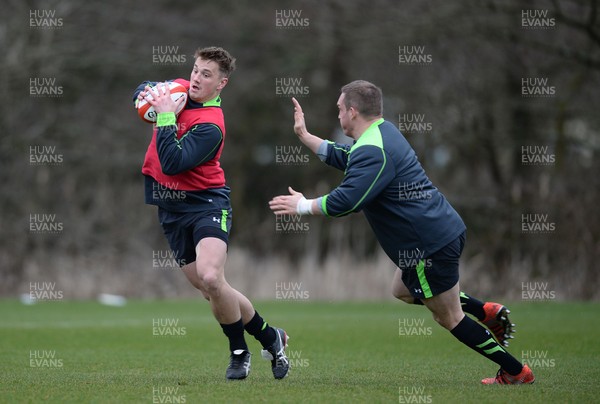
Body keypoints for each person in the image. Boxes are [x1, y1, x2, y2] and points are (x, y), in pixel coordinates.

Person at [268, 80, 535, 385]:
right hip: (438, 232)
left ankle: (515, 371)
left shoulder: (372, 150)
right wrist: (305, 136)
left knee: (449, 317)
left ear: (353, 112)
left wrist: (303, 205)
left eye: (340, 109)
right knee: (402, 289)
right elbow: (348, 157)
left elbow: (347, 201)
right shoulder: (382, 132)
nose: (338, 114)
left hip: (426, 245)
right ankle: (486, 311)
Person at [133, 46, 289, 380]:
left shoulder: (211, 125)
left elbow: (173, 163)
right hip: (171, 209)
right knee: (212, 289)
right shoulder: (177, 92)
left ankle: (238, 352)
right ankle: (270, 336)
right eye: (195, 70)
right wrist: (147, 96)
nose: (196, 78)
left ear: (221, 84)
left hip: (206, 203)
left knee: (210, 276)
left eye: (206, 74)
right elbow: (144, 90)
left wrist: (163, 115)